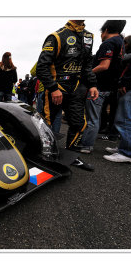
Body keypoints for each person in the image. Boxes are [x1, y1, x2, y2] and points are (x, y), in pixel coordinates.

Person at [36, 20, 99, 170]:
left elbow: (87, 64)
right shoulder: (57, 36)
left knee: (79, 124)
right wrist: (53, 88)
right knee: (45, 126)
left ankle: (72, 157)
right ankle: (44, 158)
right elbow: (41, 66)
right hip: (56, 89)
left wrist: (92, 84)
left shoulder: (88, 36)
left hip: (76, 89)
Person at [79, 20, 126, 153]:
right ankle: (86, 143)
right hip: (109, 86)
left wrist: (85, 73)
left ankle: (86, 145)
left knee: (92, 118)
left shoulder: (109, 43)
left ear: (105, 30)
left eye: (101, 32)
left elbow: (104, 65)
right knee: (96, 116)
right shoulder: (120, 42)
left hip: (99, 86)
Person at [104, 35, 131, 163]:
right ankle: (125, 148)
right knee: (127, 119)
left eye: (125, 44)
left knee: (125, 120)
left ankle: (128, 152)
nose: (123, 47)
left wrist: (125, 83)